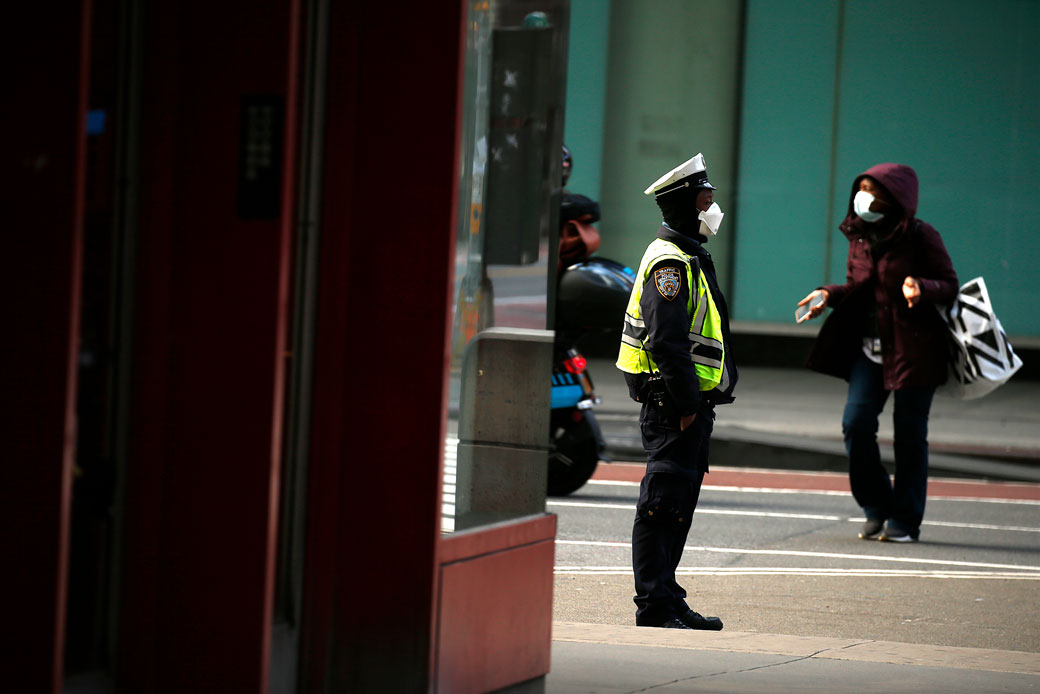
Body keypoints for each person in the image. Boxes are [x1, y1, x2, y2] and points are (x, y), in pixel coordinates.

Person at [798, 163, 957, 543]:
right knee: (856, 423)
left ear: (894, 198)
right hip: (870, 350)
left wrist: (921, 287)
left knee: (910, 434)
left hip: (914, 350)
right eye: (861, 188)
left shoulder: (921, 235)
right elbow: (857, 287)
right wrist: (828, 295)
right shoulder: (860, 235)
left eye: (872, 189)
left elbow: (949, 284)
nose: (862, 196)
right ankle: (876, 506)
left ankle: (905, 520)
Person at [616, 153, 737, 629]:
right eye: (706, 196)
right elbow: (665, 341)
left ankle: (668, 597)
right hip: (672, 404)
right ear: (687, 203)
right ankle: (653, 606)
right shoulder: (669, 263)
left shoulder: (687, 253)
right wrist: (686, 404)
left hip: (690, 403)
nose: (713, 204)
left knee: (679, 507)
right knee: (661, 505)